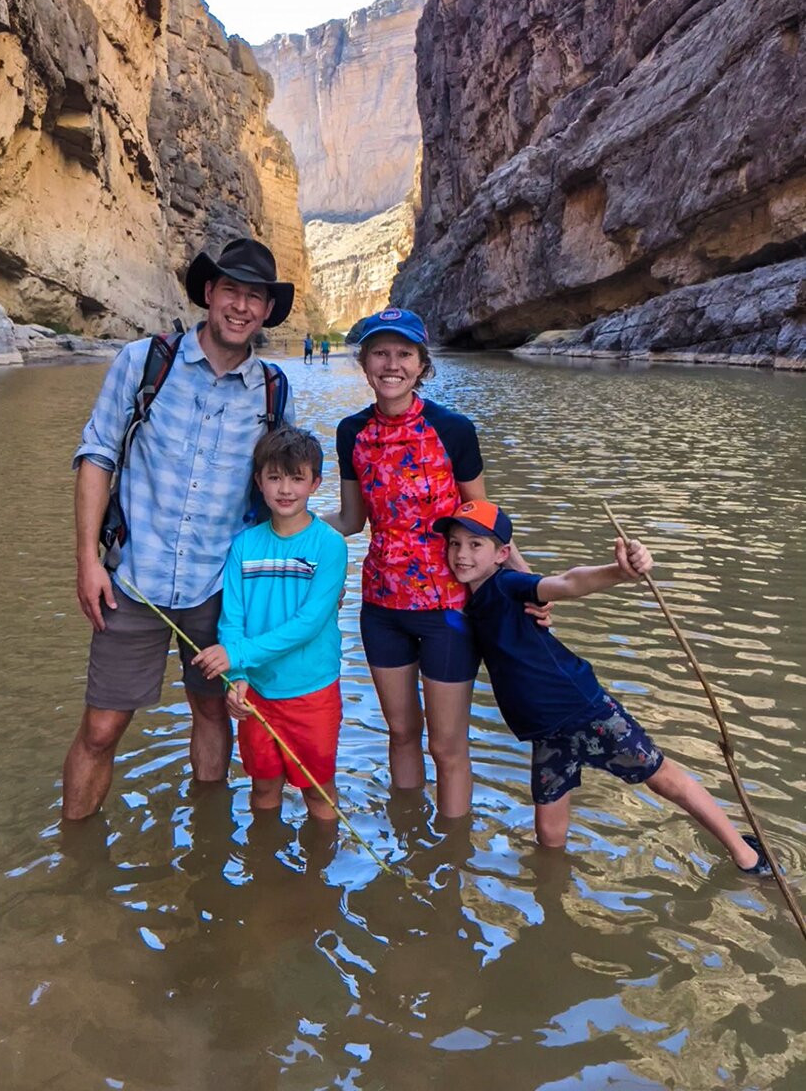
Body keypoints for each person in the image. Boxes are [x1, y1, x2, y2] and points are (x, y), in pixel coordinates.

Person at [62, 237, 296, 821]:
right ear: (209, 294)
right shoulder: (144, 362)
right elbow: (97, 457)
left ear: (268, 311)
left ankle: (208, 853)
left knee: (213, 712)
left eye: (256, 298)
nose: (242, 307)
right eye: (232, 292)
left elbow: (283, 496)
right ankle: (75, 854)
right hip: (132, 582)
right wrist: (87, 561)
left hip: (219, 591)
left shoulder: (273, 391)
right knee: (101, 727)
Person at [434, 499, 771, 873]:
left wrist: (620, 570)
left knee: (660, 776)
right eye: (454, 543)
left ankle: (746, 855)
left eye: (475, 544)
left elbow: (568, 582)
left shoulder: (508, 585)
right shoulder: (474, 597)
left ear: (502, 554)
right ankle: (553, 892)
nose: (461, 554)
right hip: (546, 731)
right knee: (548, 834)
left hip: (583, 710)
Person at [324, 307, 542, 819]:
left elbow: (482, 520)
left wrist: (529, 586)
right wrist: (285, 528)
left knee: (447, 746)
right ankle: (408, 837)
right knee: (400, 733)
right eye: (380, 352)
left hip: (448, 609)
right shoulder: (350, 432)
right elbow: (353, 520)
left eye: (404, 354)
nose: (391, 364)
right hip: (381, 606)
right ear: (364, 361)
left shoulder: (454, 429)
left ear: (423, 364)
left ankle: (451, 855)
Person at [192, 427, 348, 821]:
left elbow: (309, 623)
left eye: (297, 478)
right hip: (256, 691)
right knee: (262, 787)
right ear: (258, 481)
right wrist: (237, 676)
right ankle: (264, 870)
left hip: (312, 691)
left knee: (317, 792)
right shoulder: (244, 545)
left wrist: (235, 654)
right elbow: (233, 618)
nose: (285, 489)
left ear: (315, 482)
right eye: (274, 477)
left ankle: (319, 876)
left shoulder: (330, 545)